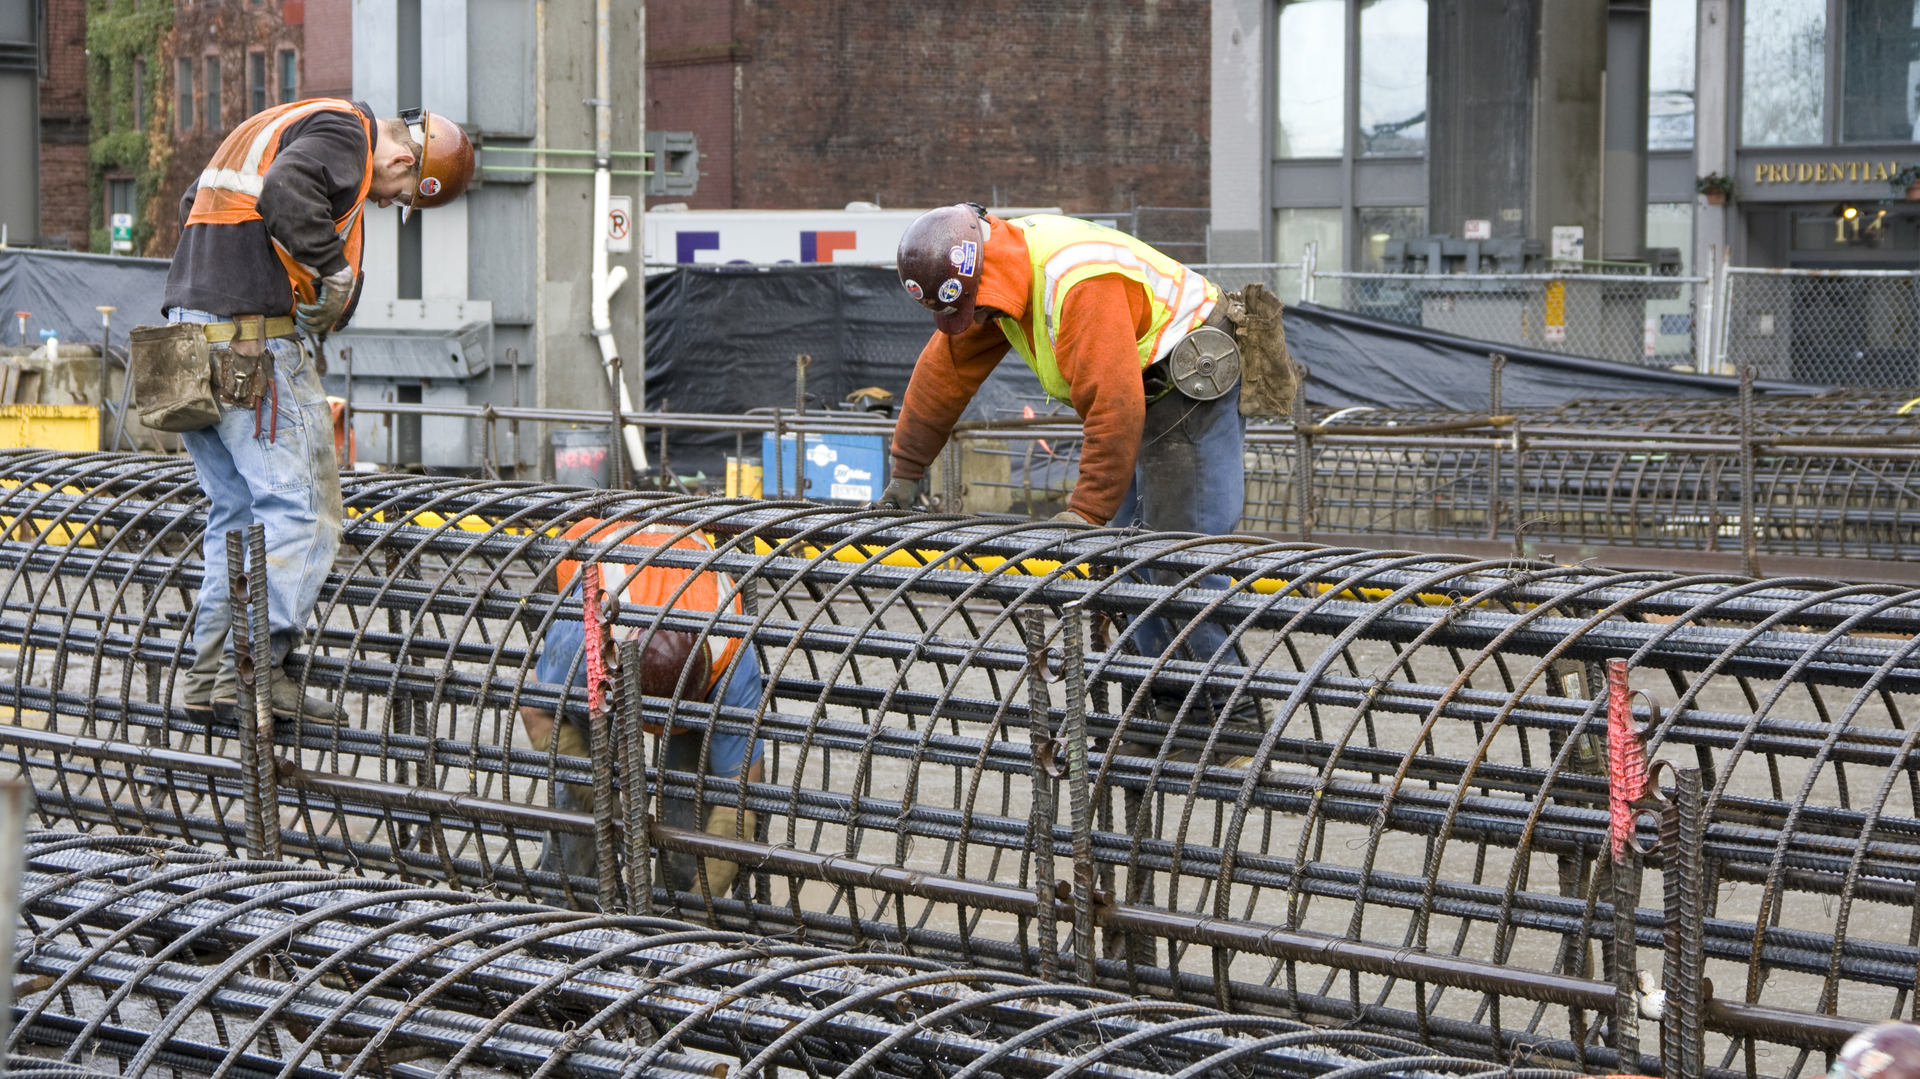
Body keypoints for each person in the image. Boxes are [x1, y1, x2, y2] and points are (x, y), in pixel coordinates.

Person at [873, 204, 1297, 751]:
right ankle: (1169, 708)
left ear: (983, 276)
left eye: (975, 308)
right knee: (1120, 555)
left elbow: (1114, 407)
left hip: (1192, 371)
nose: (975, 320)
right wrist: (906, 473)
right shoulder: (995, 279)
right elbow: (944, 374)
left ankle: (1232, 714)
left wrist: (1086, 512)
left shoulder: (1077, 282)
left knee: (1178, 552)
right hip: (1142, 382)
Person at [166, 100, 474, 723]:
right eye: (399, 195)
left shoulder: (277, 123)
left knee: (237, 511)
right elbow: (285, 191)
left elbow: (191, 205)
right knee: (304, 510)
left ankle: (210, 677)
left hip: (188, 340)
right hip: (248, 344)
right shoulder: (344, 132)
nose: (385, 205)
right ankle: (256, 670)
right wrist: (331, 272)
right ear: (402, 160)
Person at [519, 519, 765, 898]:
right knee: (583, 791)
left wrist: (702, 899)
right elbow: (534, 708)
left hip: (685, 608)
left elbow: (738, 798)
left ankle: (677, 908)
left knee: (693, 788)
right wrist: (608, 806)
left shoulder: (731, 661)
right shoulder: (586, 641)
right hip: (597, 568)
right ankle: (569, 900)